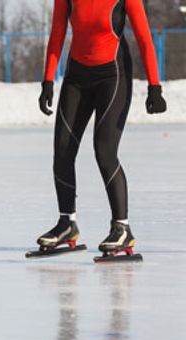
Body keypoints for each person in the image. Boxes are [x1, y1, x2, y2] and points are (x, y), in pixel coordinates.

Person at [36, 0, 166, 257]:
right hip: (76, 76)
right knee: (62, 149)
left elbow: (144, 37)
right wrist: (48, 81)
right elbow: (58, 32)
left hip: (113, 74)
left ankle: (122, 228)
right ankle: (66, 224)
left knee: (104, 151)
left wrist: (155, 87)